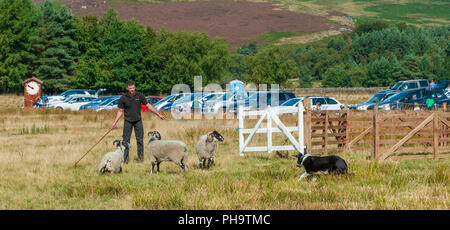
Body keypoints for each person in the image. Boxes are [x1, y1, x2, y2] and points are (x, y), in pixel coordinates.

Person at [111, 81, 166, 163]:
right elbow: (120, 111)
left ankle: (140, 159)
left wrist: (159, 115)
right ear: (127, 88)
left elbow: (148, 106)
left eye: (133, 88)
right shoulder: (123, 98)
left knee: (140, 140)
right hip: (128, 122)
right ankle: (125, 160)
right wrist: (114, 123)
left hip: (138, 121)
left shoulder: (140, 95)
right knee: (126, 141)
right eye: (130, 88)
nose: (132, 90)